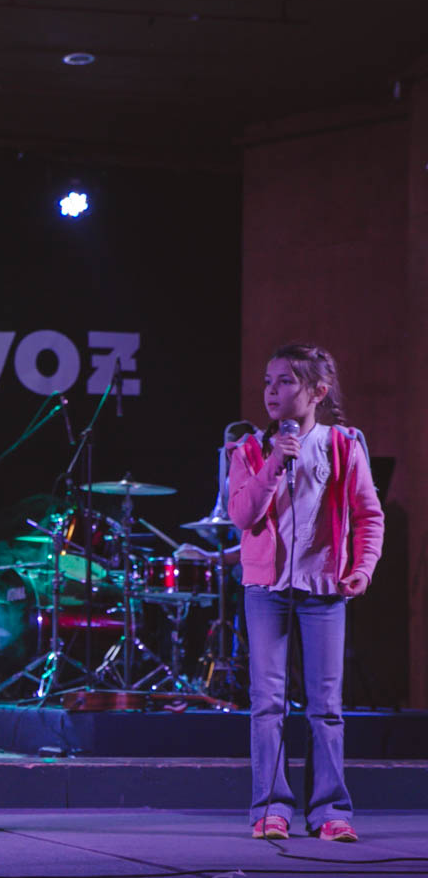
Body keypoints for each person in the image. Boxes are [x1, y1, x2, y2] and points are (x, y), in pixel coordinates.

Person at [228, 343, 383, 843]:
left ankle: (329, 810)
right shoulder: (250, 449)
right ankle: (270, 808)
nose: (271, 391)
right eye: (267, 381)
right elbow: (243, 515)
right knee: (268, 703)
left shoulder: (343, 445)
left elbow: (368, 514)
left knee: (326, 707)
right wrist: (275, 461)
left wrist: (363, 568)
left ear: (317, 391)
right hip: (266, 591)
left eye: (285, 381)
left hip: (323, 590)